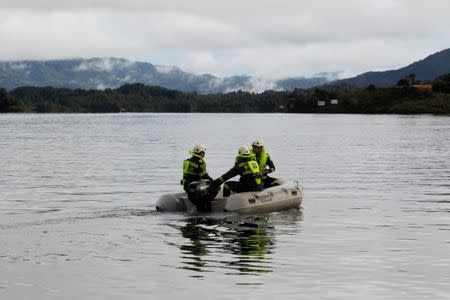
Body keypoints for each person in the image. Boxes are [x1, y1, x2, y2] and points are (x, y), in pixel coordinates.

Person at [181, 144, 216, 212]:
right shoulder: (199, 163)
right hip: (196, 189)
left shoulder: (187, 161)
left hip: (186, 187)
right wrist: (214, 181)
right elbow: (205, 176)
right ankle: (210, 200)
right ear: (201, 153)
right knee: (215, 185)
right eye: (203, 152)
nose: (204, 154)